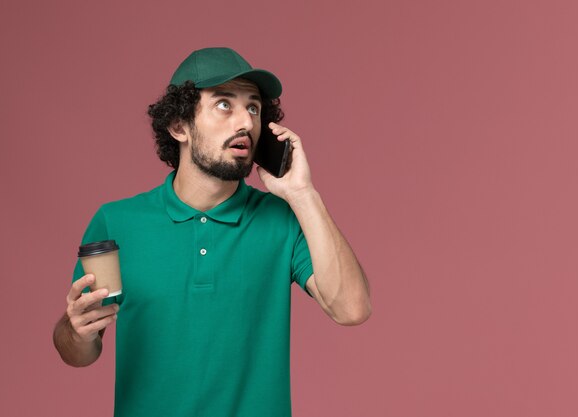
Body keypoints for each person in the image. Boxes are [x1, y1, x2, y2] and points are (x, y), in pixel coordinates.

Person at [53, 47, 371, 417]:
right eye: (224, 104)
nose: (245, 122)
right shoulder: (116, 222)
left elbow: (352, 309)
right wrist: (77, 331)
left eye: (253, 108)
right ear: (179, 126)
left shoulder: (283, 219)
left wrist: (303, 194)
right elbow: (79, 351)